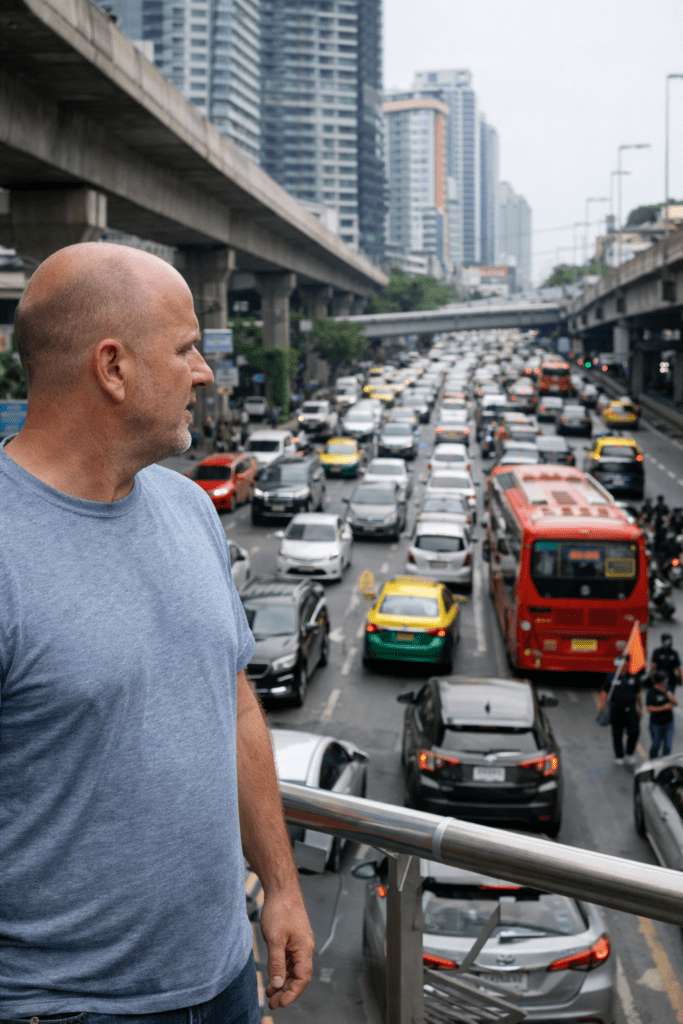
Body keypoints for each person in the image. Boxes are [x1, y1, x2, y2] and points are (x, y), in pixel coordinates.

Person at [0, 243, 313, 1020]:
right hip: (60, 1007)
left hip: (222, 980)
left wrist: (279, 885)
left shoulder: (188, 510)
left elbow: (233, 702)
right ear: (113, 368)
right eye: (184, 350)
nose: (204, 371)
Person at [597, 665, 642, 765]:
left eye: (626, 664)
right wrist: (602, 703)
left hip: (631, 710)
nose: (624, 666)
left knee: (634, 732)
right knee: (617, 734)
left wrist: (640, 709)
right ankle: (619, 756)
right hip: (616, 710)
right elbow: (604, 691)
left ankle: (630, 753)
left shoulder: (634, 677)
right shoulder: (612, 677)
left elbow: (638, 694)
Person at [646, 671, 678, 758]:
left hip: (668, 723)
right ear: (660, 681)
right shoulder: (651, 693)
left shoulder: (668, 690)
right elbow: (649, 708)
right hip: (656, 724)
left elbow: (675, 703)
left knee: (668, 746)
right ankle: (652, 762)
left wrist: (669, 696)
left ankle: (665, 766)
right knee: (656, 745)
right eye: (664, 680)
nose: (666, 682)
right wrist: (663, 707)